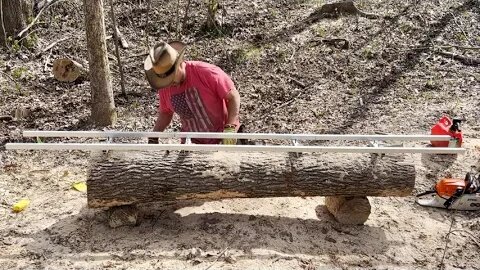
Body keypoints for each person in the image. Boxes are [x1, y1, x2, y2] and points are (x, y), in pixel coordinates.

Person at [144, 40, 241, 145]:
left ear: (180, 64)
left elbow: (233, 96)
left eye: (171, 78)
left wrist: (230, 127)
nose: (169, 83)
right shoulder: (165, 87)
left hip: (222, 137)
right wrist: (154, 136)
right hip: (191, 142)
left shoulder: (206, 73)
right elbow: (165, 113)